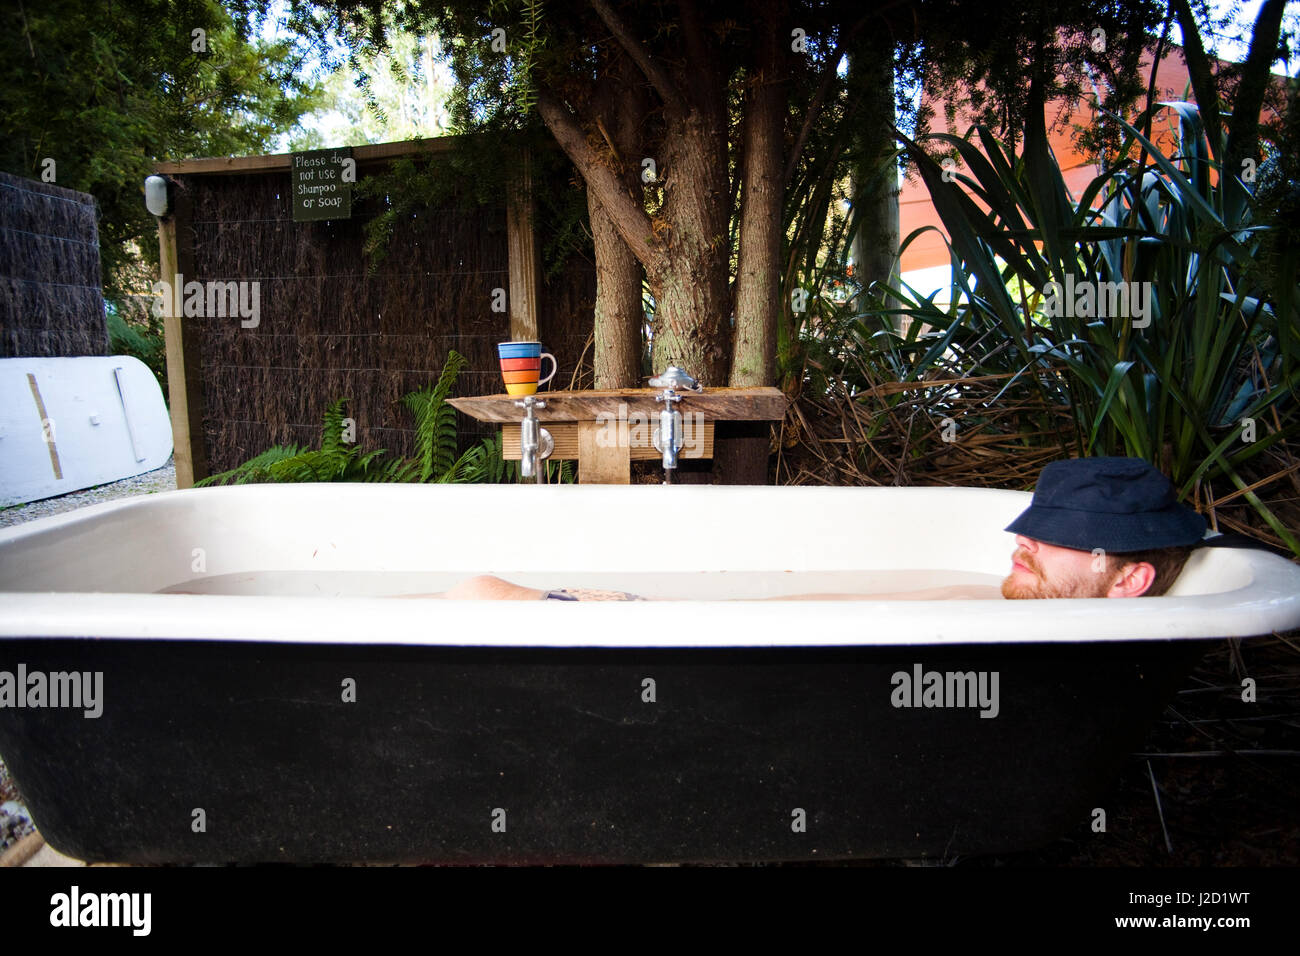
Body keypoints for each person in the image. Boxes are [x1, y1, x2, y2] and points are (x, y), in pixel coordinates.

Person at [399, 457, 1207, 602]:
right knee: (478, 590)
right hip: (679, 619)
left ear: (1126, 577)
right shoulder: (1004, 599)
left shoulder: (1016, 614)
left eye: (1051, 537)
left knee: (481, 593)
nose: (1019, 542)